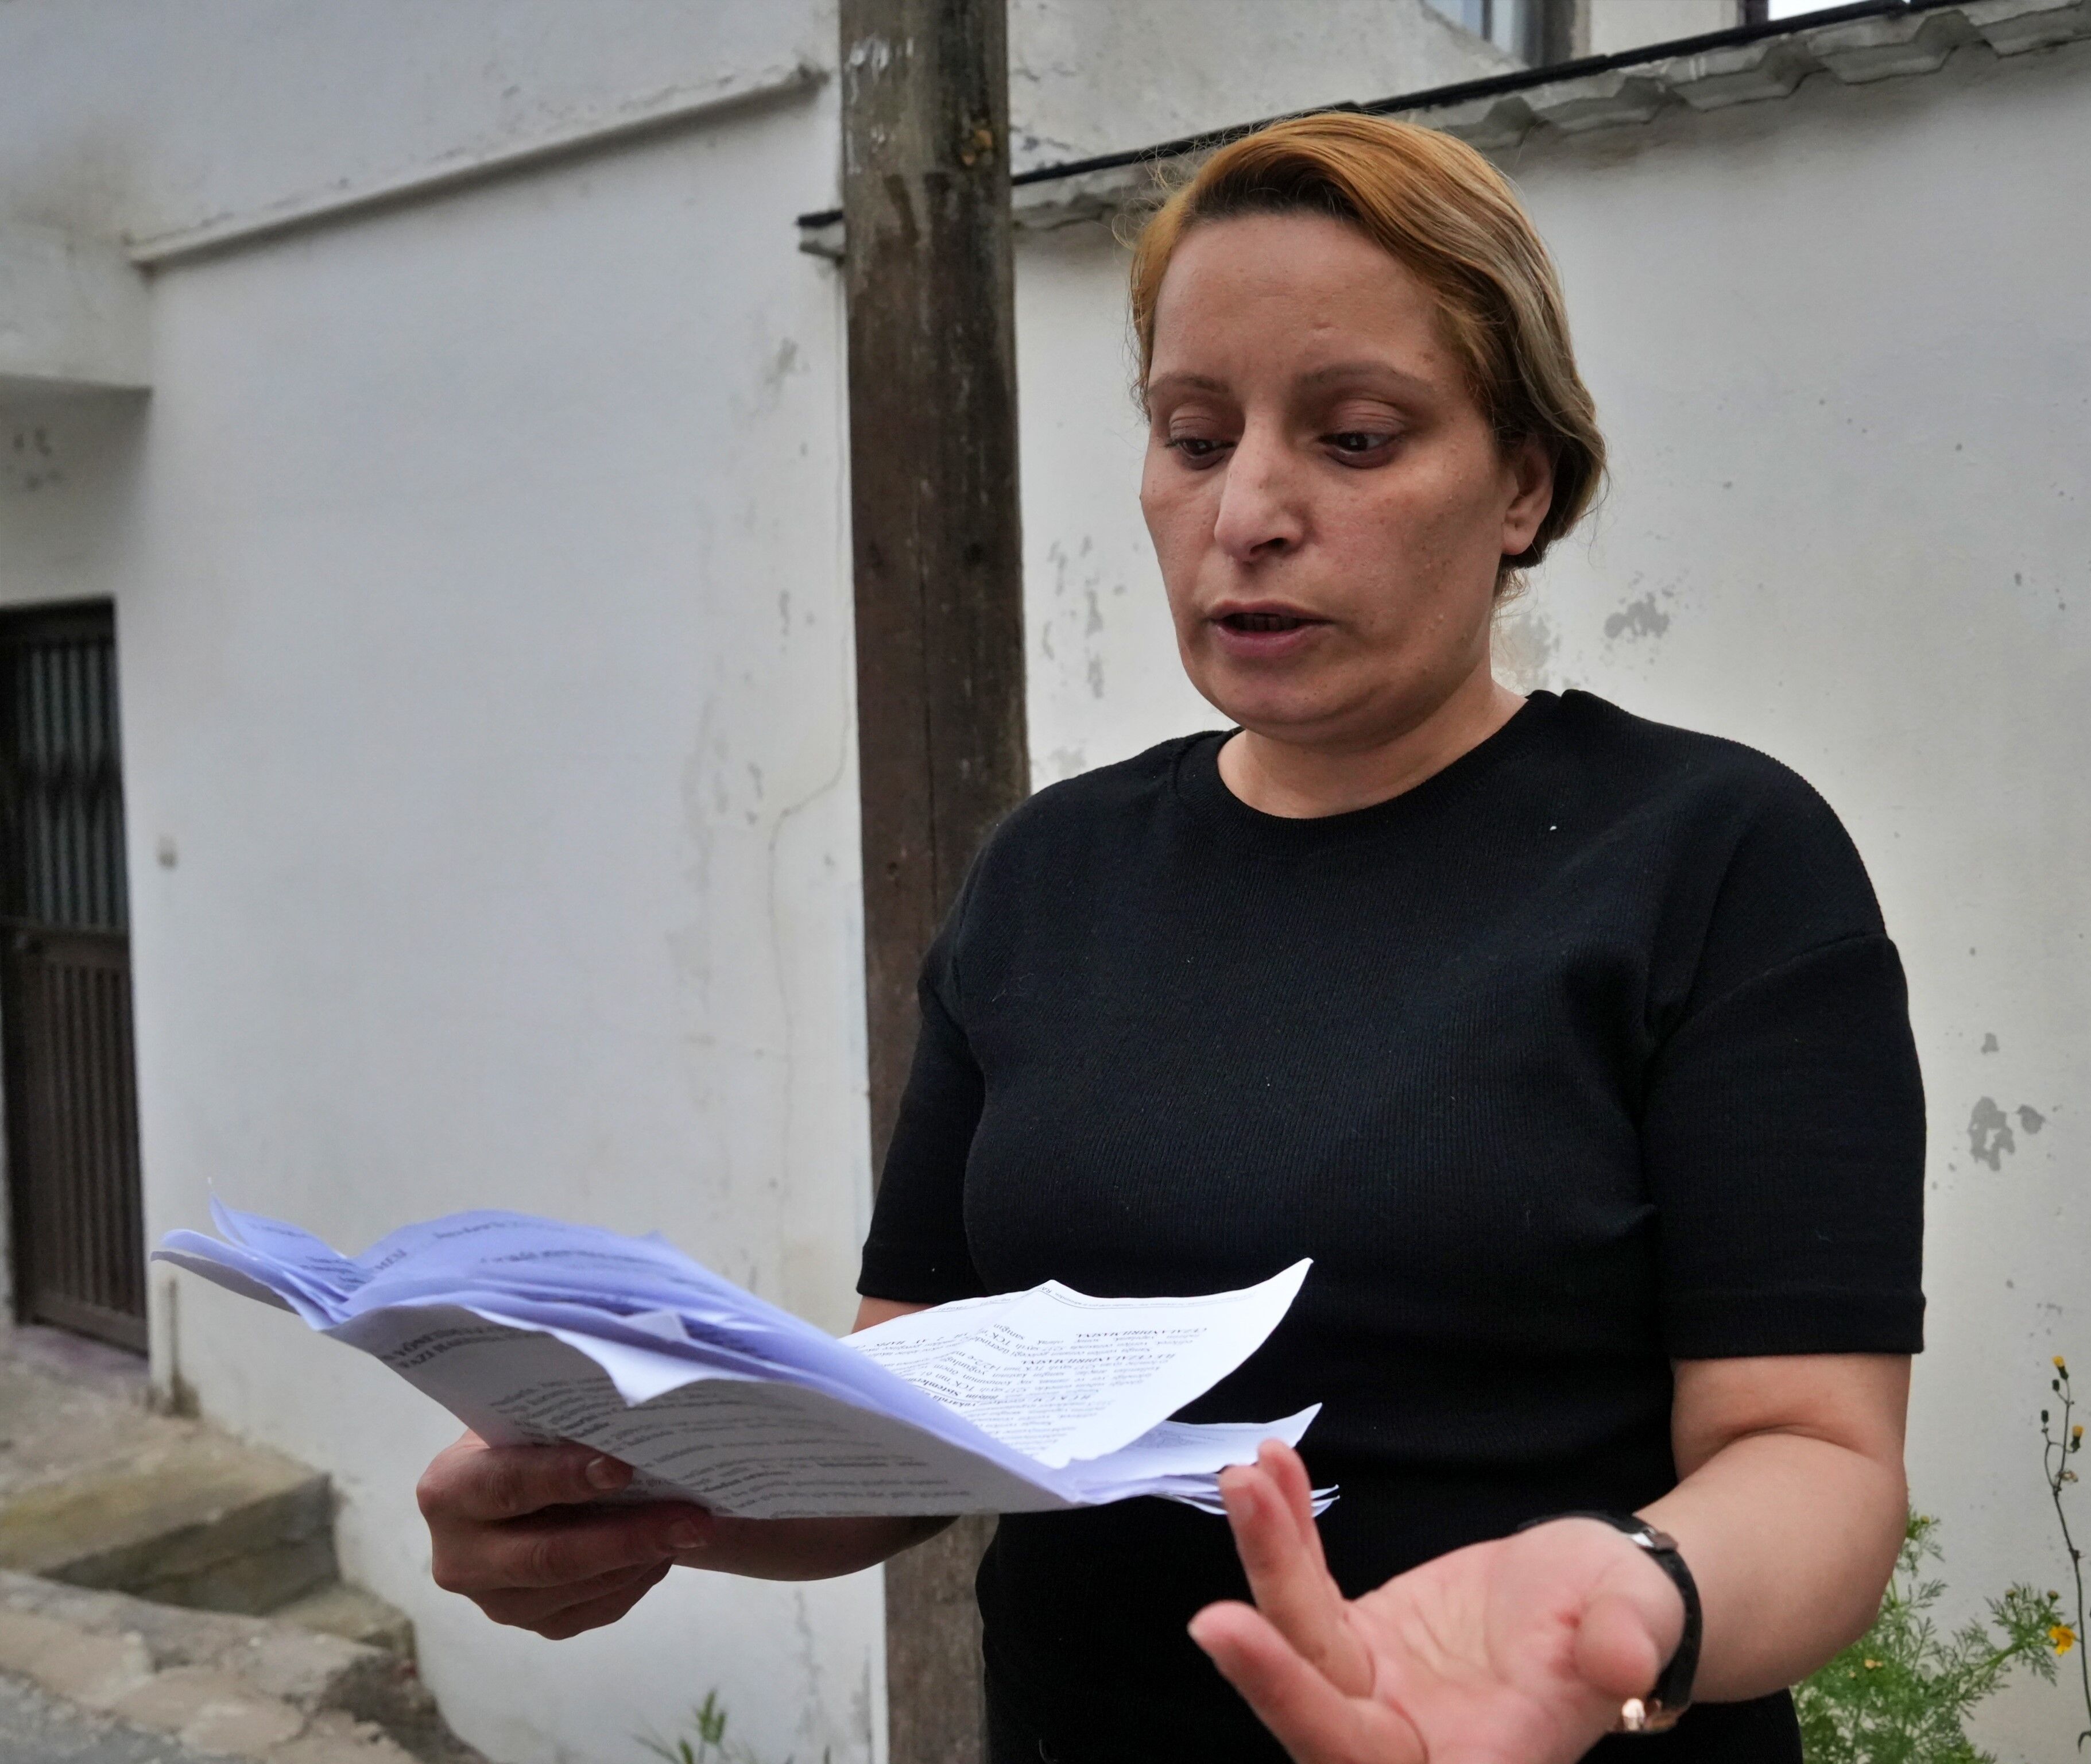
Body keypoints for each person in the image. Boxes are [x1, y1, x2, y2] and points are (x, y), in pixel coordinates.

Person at [413, 111, 1925, 1764]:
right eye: (1194, 437)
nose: (1249, 509)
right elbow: (909, 1419)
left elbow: (1815, 1458)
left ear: (1524, 483)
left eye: (1356, 438)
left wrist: (1607, 1611)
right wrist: (637, 1495)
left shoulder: (1714, 860)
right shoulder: (1049, 877)